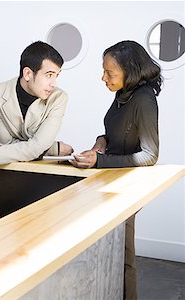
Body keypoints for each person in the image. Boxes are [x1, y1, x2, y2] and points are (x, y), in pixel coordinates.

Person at [71, 40, 162, 300]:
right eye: (104, 71)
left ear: (130, 71)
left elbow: (149, 155)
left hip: (127, 186)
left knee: (123, 255)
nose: (103, 78)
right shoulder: (122, 93)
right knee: (108, 251)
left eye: (109, 73)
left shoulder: (144, 99)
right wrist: (102, 141)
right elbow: (118, 132)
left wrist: (98, 162)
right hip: (111, 181)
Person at [0, 41, 73, 175]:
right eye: (49, 75)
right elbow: (6, 146)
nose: (54, 83)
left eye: (56, 76)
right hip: (9, 176)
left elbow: (37, 147)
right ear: (28, 74)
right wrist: (53, 148)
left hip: (44, 174)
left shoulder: (59, 97)